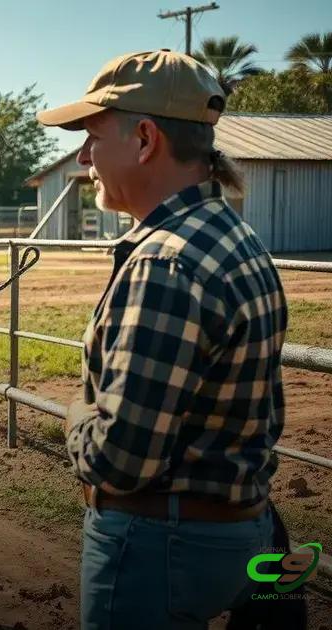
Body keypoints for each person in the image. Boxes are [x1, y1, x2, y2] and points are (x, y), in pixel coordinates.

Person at [36, 50, 289, 629]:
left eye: (93, 137)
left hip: (158, 548)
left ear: (145, 139)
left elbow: (120, 460)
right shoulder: (237, 238)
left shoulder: (166, 264)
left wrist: (76, 415)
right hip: (237, 531)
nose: (83, 157)